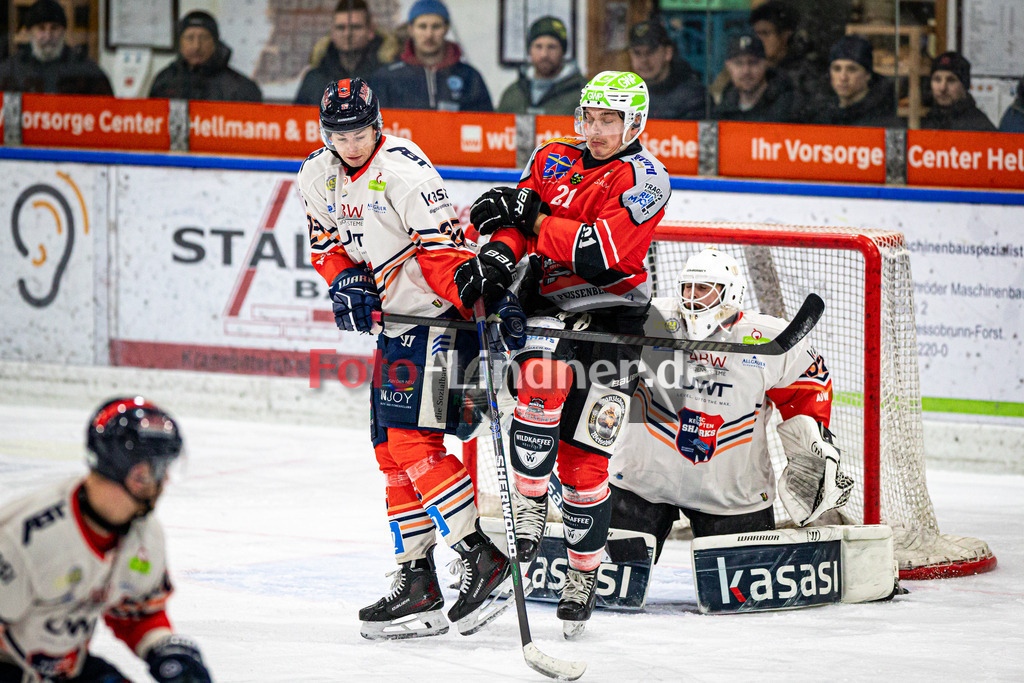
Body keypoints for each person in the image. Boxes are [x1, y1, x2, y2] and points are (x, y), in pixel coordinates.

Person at [296, 78, 517, 640]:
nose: (349, 143)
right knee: (387, 451)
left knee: (411, 444)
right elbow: (326, 244)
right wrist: (343, 278)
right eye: (338, 133)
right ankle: (417, 581)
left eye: (359, 131)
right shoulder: (315, 174)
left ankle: (481, 556)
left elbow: (444, 251)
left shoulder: (405, 171)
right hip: (395, 329)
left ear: (378, 124)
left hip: (440, 322)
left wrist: (480, 298)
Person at [458, 70, 671, 638]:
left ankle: (583, 574)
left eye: (610, 121)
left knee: (584, 465)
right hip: (547, 304)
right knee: (540, 388)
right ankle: (527, 510)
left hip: (613, 317)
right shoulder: (554, 156)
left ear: (635, 123)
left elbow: (598, 252)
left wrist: (527, 217)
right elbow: (515, 230)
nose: (596, 131)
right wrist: (501, 267)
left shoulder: (648, 178)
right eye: (590, 118)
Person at [607, 249, 854, 561]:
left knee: (741, 598)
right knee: (612, 583)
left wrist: (808, 448)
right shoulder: (648, 318)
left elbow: (807, 387)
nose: (692, 297)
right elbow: (599, 356)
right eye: (688, 287)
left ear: (730, 294)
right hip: (641, 480)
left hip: (734, 492)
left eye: (704, 288)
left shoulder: (766, 336)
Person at [0, 397, 212, 682]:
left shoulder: (145, 536)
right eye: (153, 472)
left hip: (64, 668)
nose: (162, 485)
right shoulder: (23, 538)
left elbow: (138, 612)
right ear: (124, 470)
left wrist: (165, 650)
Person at [371, 0, 492, 111]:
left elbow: (486, 124)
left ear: (446, 28)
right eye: (422, 26)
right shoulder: (387, 77)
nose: (429, 34)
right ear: (411, 29)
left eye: (436, 26)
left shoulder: (469, 76)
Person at [293, 0, 399, 106]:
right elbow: (297, 119)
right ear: (332, 32)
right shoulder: (314, 78)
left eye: (355, 27)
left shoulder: (389, 77)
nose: (347, 34)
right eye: (340, 27)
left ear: (370, 31)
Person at [0, 0, 112, 95]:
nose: (48, 36)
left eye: (54, 28)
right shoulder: (11, 70)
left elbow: (107, 110)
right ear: (30, 32)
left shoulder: (85, 70)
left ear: (63, 32)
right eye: (41, 28)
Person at [148, 10, 262, 102]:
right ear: (180, 42)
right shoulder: (164, 81)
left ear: (215, 43)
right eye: (189, 38)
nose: (196, 46)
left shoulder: (242, 88)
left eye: (204, 38)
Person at [748, 0, 826, 122]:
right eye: (756, 34)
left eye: (765, 33)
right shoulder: (746, 69)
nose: (759, 40)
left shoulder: (805, 75)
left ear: (785, 36)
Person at [497, 15, 587, 116]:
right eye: (538, 46)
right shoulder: (513, 94)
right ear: (529, 50)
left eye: (552, 47)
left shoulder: (584, 96)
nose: (544, 54)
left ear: (563, 51)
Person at [813, 35, 901, 128]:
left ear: (867, 74)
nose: (843, 77)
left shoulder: (882, 121)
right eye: (837, 69)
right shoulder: (820, 115)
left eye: (852, 69)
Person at [626, 19, 705, 120]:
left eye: (650, 52)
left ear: (668, 53)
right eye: (637, 53)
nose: (644, 60)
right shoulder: (624, 95)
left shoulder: (692, 97)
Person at [713, 32, 795, 122]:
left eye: (753, 62)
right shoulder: (723, 110)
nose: (746, 71)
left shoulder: (788, 108)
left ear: (765, 64)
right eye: (738, 63)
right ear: (728, 67)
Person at [921, 52, 996, 132]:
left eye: (951, 80)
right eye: (937, 79)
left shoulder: (980, 127)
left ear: (964, 86)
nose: (942, 88)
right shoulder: (926, 120)